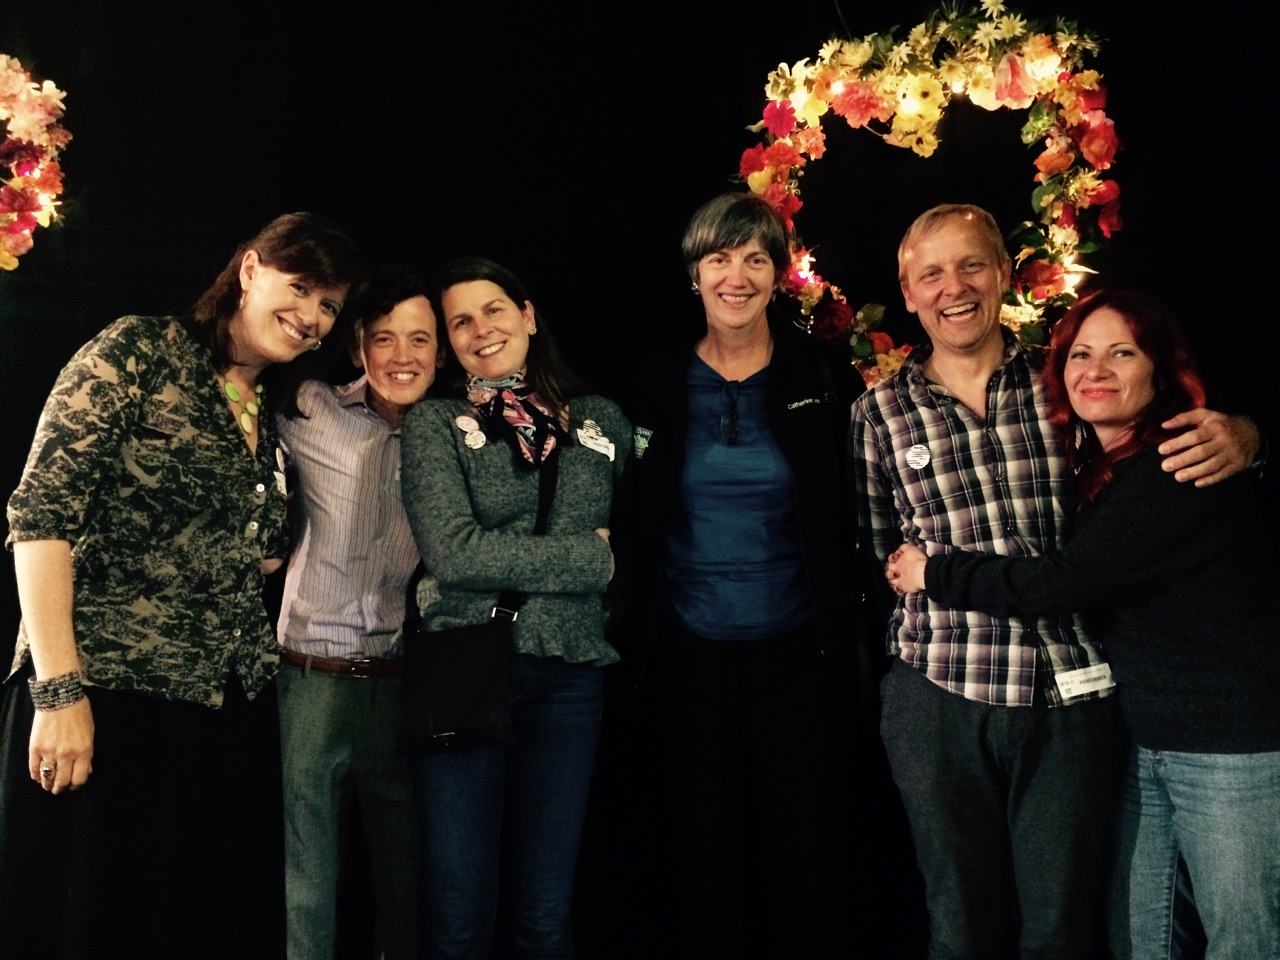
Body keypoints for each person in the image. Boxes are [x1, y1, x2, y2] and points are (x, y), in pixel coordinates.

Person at [849, 203, 1259, 960]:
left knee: (1063, 925)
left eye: (971, 265)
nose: (953, 287)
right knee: (958, 923)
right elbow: (878, 552)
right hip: (937, 690)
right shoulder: (877, 412)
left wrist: (1247, 435)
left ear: (1005, 274)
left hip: (1070, 693)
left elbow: (1155, 450)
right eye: (930, 274)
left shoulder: (1068, 379)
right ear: (907, 293)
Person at [0, 212, 363, 959]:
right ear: (250, 270)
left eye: (329, 305)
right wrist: (58, 692)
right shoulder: (139, 350)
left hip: (223, 713)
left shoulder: (270, 408)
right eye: (300, 288)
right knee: (91, 923)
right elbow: (39, 519)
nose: (312, 316)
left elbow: (257, 557)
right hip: (110, 695)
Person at [623, 192, 862, 959]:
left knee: (805, 855)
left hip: (799, 653)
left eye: (756, 258)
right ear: (694, 273)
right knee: (702, 856)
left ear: (778, 275)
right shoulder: (652, 381)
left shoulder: (823, 374)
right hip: (687, 654)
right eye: (719, 258)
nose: (737, 275)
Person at [400, 256, 628, 959]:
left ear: (527, 315)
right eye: (460, 322)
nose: (480, 330)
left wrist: (599, 564)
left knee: (545, 915)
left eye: (493, 310)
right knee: (459, 918)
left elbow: (639, 536)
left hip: (571, 674)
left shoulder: (602, 420)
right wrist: (591, 561)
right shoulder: (436, 423)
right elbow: (455, 554)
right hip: (467, 667)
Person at [275, 265, 443, 960]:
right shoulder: (307, 407)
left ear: (440, 352)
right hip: (309, 676)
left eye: (420, 340)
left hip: (402, 685)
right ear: (356, 347)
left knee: (405, 878)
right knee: (308, 878)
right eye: (384, 338)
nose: (402, 356)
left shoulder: (453, 434)